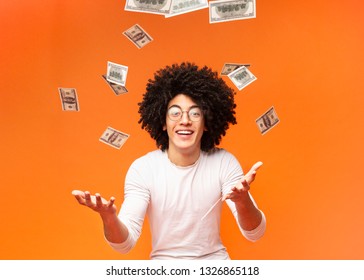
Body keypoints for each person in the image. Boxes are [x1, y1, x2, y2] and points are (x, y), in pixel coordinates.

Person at [72, 62, 266, 259]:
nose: (185, 120)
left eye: (195, 113)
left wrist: (243, 201)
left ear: (207, 122)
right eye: (175, 113)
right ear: (163, 122)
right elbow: (125, 244)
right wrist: (109, 217)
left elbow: (254, 233)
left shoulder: (223, 162)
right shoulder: (143, 169)